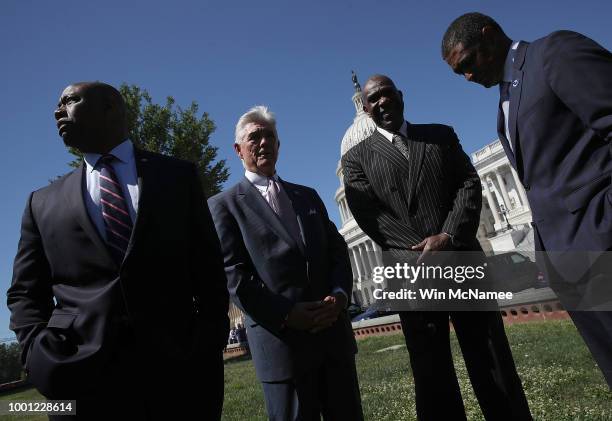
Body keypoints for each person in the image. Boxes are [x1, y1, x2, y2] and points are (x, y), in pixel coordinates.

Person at [7, 82, 229, 420]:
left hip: (181, 378)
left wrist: (207, 344)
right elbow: (25, 293)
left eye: (70, 100)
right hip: (81, 385)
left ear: (110, 106)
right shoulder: (41, 203)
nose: (57, 112)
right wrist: (38, 354)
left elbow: (209, 270)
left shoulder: (178, 177)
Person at [341, 74, 532, 420]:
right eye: (373, 99)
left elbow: (469, 184)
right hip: (411, 272)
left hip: (461, 258)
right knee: (432, 375)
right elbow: (370, 216)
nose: (382, 102)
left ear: (400, 95)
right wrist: (420, 251)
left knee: (493, 362)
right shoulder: (357, 158)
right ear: (366, 110)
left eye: (387, 94)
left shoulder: (440, 135)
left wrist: (447, 236)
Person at [442, 12, 612, 387]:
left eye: (468, 63)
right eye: (459, 73)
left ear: (489, 35)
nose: (468, 77)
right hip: (568, 261)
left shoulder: (555, 53)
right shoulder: (506, 99)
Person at [208, 106, 363, 421]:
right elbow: (234, 277)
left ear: (278, 145)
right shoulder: (223, 206)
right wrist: (287, 314)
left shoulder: (307, 196)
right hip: (282, 348)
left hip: (334, 340)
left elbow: (337, 251)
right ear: (238, 150)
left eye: (270, 136)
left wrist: (340, 297)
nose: (263, 142)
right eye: (255, 137)